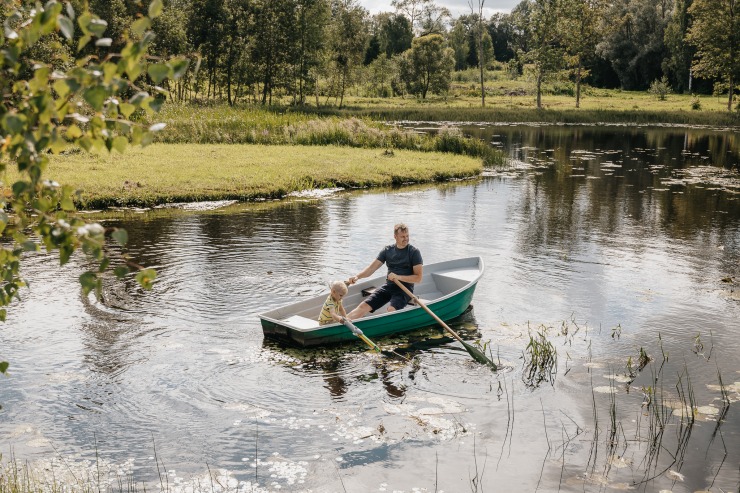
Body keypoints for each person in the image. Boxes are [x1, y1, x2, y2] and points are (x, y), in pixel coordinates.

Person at [346, 223, 423, 320]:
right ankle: (342, 324)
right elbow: (371, 269)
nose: (406, 238)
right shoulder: (387, 250)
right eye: (402, 236)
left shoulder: (414, 252)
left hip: (404, 289)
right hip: (389, 286)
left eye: (407, 236)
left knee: (391, 310)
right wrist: (357, 277)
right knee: (363, 307)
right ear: (395, 237)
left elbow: (418, 278)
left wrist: (398, 277)